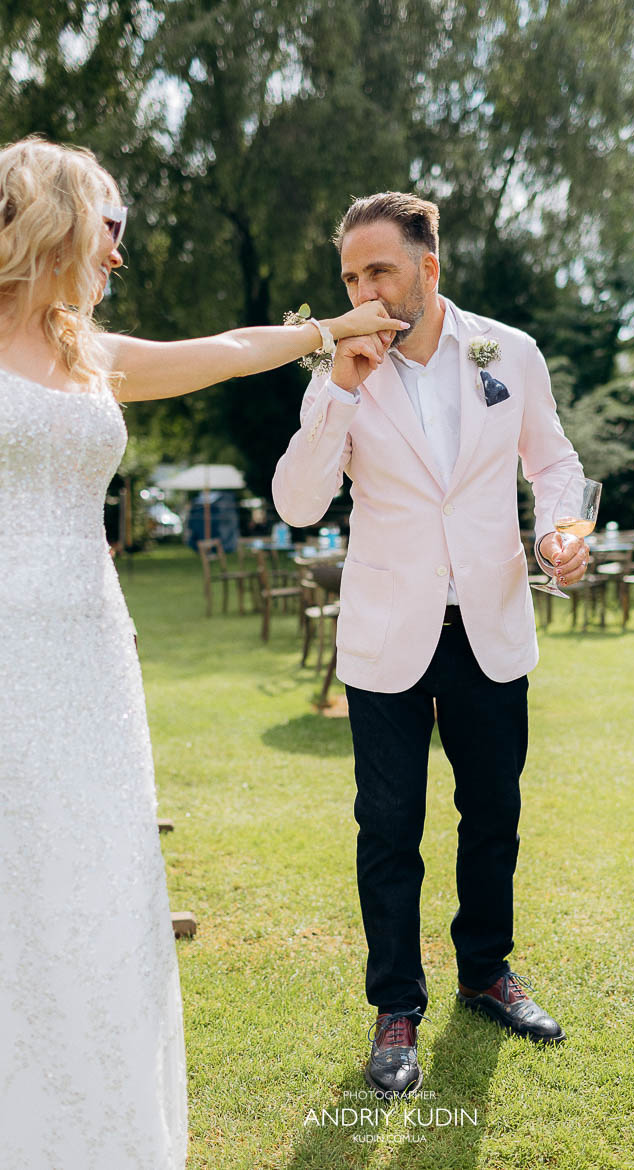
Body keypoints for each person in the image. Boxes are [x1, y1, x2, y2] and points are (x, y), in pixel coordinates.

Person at [0, 137, 406, 1168]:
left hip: (90, 651)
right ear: (54, 220)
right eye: (112, 228)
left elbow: (227, 348)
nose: (120, 255)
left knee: (98, 876)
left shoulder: (91, 351)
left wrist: (331, 331)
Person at [273, 191, 589, 1096]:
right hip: (387, 634)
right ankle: (395, 1006)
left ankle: (487, 972)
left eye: (378, 270)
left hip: (489, 623)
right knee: (389, 829)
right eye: (348, 276)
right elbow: (298, 503)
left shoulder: (508, 351)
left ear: (428, 268)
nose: (362, 289)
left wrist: (560, 529)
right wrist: (338, 384)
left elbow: (553, 463)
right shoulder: (337, 373)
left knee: (493, 817)